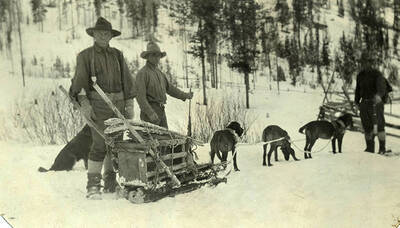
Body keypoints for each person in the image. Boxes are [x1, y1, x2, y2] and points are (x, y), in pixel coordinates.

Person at [69, 17, 136, 199]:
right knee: (99, 144)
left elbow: (128, 81)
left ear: (111, 36)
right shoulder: (85, 56)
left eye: (106, 33)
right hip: (98, 105)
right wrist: (84, 104)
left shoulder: (118, 55)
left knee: (115, 144)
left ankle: (111, 182)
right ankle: (93, 186)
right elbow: (80, 84)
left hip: (119, 105)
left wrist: (129, 103)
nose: (103, 36)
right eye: (100, 33)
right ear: (94, 35)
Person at [135, 41, 193, 129]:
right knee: (151, 141)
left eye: (158, 55)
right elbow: (140, 97)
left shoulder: (160, 73)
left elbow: (171, 89)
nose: (156, 58)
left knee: (165, 139)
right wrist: (150, 113)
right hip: (149, 113)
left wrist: (185, 95)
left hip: (161, 111)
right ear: (147, 57)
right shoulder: (142, 73)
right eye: (153, 55)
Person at [354, 59, 387, 154]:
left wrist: (379, 95)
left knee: (380, 126)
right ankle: (369, 148)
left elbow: (382, 88)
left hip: (376, 103)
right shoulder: (360, 75)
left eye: (367, 62)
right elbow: (357, 90)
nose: (365, 65)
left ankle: (382, 148)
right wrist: (356, 102)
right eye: (363, 63)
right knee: (367, 127)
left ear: (371, 63)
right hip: (364, 104)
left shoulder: (377, 74)